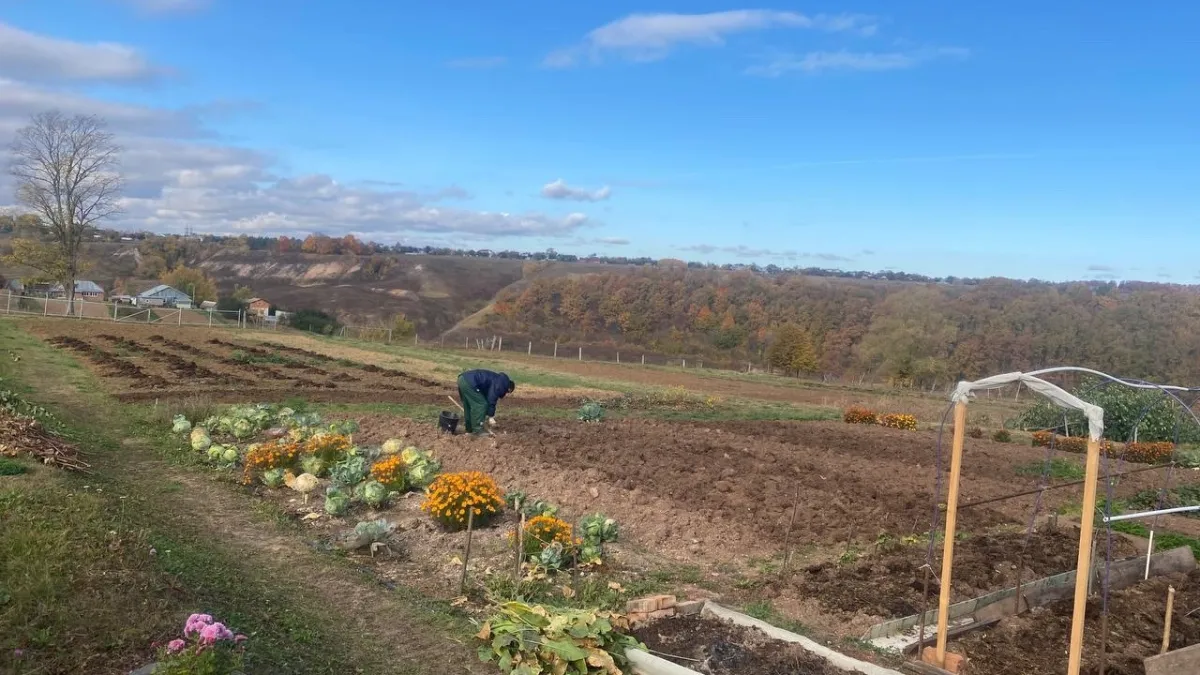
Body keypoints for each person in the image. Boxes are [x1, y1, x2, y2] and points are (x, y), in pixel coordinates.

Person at [456, 369, 515, 435]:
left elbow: (485, 396)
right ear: (509, 389)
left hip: (463, 379)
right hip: (470, 382)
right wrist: (491, 416)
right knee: (481, 404)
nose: (505, 393)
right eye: (507, 392)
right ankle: (478, 431)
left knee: (469, 406)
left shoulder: (497, 379)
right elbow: (492, 399)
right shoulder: (501, 384)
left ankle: (469, 429)